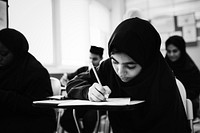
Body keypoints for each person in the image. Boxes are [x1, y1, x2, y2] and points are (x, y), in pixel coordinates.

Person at [65, 17, 191, 133]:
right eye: (115, 62)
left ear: (147, 62)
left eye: (130, 66)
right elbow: (73, 83)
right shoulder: (108, 67)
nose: (120, 71)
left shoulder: (162, 80)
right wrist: (88, 91)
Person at [0, 28, 56, 133]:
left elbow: (38, 106)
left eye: (4, 54)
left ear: (17, 53)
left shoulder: (35, 72)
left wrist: (4, 96)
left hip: (33, 121)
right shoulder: (4, 68)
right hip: (8, 117)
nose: (0, 58)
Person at [60, 45, 104, 133]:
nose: (91, 61)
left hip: (96, 106)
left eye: (95, 59)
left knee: (90, 118)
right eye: (90, 58)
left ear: (101, 59)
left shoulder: (103, 71)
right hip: (81, 104)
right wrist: (64, 78)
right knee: (66, 118)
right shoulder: (83, 70)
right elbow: (69, 78)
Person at [165, 35, 200, 120]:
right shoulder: (164, 67)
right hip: (168, 105)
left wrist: (179, 96)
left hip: (188, 105)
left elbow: (195, 90)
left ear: (182, 50)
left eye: (175, 51)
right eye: (168, 51)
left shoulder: (191, 68)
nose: (171, 54)